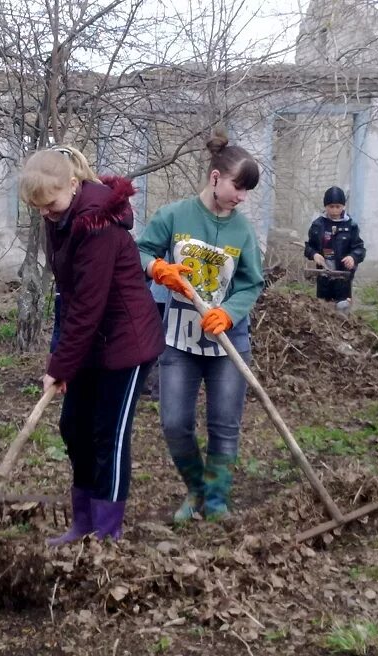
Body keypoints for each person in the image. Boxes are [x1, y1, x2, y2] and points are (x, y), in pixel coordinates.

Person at [20, 145, 164, 544]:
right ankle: (82, 523)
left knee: (108, 435)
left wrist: (62, 364)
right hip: (91, 340)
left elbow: (89, 306)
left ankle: (106, 532)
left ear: (72, 184)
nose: (47, 214)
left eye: (51, 205)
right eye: (40, 209)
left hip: (126, 344)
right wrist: (59, 359)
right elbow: (67, 294)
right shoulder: (61, 216)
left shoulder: (97, 223)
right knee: (74, 427)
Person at [137, 132, 265, 523]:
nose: (241, 198)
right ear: (214, 177)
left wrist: (228, 312)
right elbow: (141, 250)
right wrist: (157, 268)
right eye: (237, 188)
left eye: (246, 192)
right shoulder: (175, 216)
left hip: (228, 343)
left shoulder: (242, 231)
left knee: (224, 426)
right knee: (174, 422)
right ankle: (195, 487)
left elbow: (251, 283)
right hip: (178, 339)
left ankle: (216, 501)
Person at [303, 185, 366, 312]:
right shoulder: (318, 225)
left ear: (343, 206)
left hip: (343, 278)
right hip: (324, 278)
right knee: (322, 311)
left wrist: (352, 257)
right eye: (331, 206)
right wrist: (314, 254)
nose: (334, 210)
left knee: (342, 311)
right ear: (326, 206)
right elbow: (308, 247)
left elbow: (360, 249)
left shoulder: (350, 226)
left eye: (338, 206)